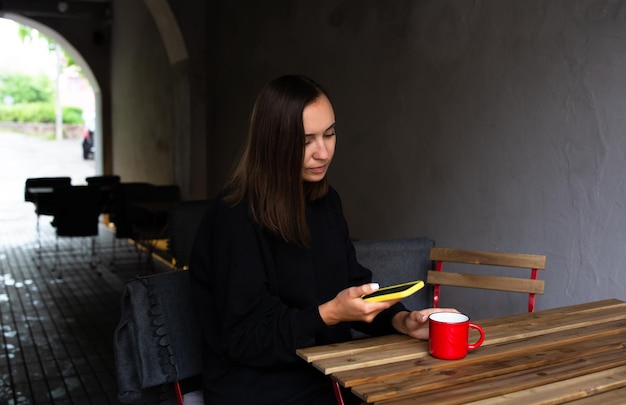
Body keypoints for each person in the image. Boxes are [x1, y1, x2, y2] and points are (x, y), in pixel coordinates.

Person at [189, 75, 457, 404]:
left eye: (329, 134)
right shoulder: (235, 217)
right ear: (273, 144)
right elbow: (245, 338)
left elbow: (354, 284)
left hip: (329, 371)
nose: (323, 152)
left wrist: (401, 320)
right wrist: (328, 314)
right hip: (258, 387)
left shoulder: (326, 202)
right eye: (306, 141)